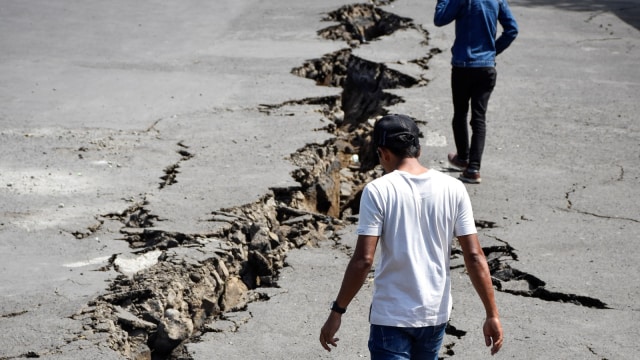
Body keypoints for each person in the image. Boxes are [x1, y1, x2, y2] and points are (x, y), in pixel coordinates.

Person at [319, 114, 503, 359]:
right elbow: (474, 255)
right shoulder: (454, 188)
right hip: (434, 315)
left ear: (383, 153)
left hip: (392, 317)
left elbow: (364, 260)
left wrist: (337, 311)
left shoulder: (378, 191)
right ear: (419, 149)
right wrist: (492, 314)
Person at [434, 0, 519, 184]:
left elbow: (440, 19)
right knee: (478, 118)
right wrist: (491, 51)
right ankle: (473, 168)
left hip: (463, 66)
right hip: (486, 68)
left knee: (460, 113)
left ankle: (464, 158)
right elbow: (512, 29)